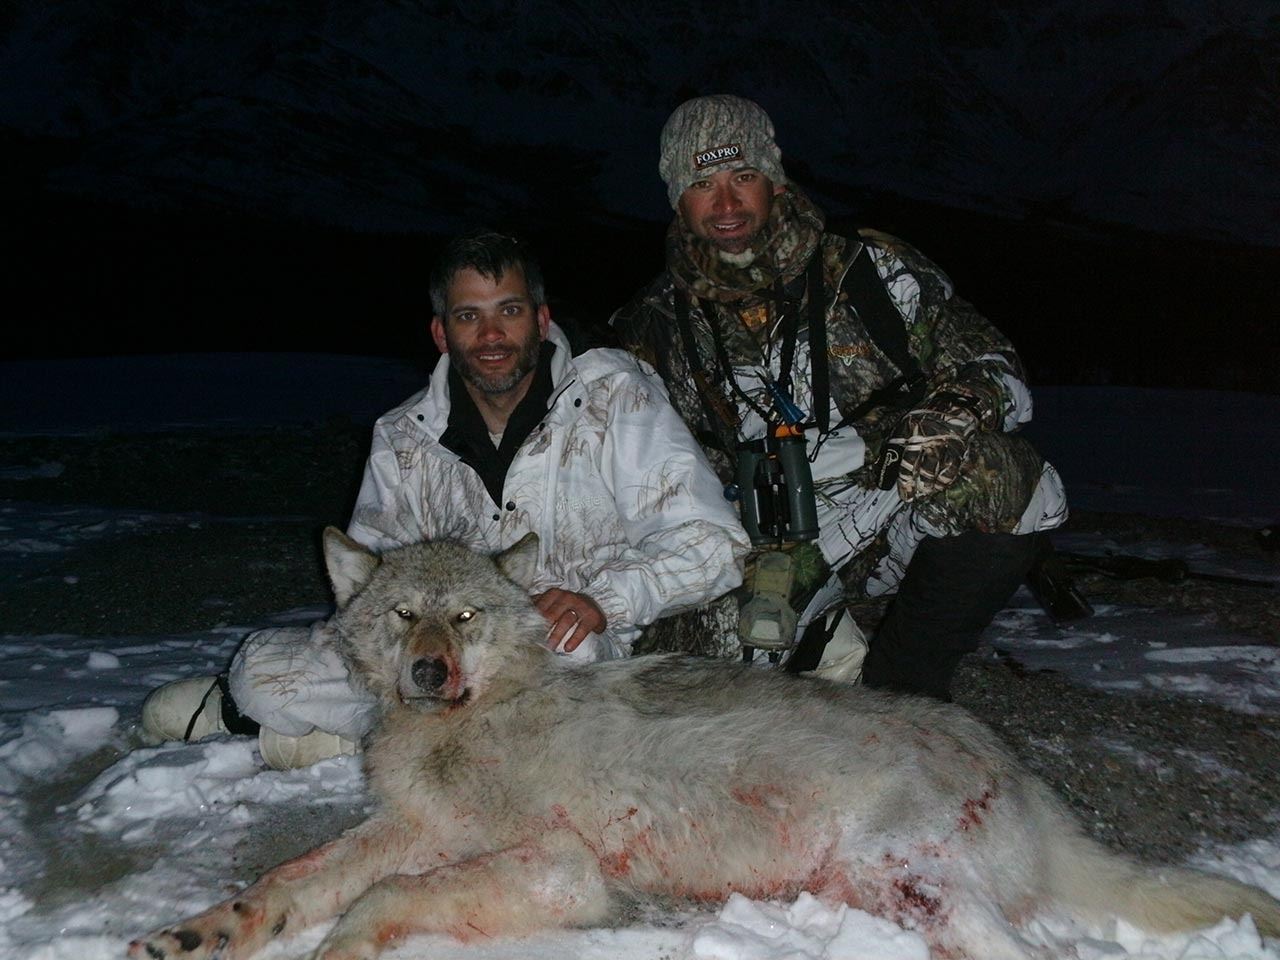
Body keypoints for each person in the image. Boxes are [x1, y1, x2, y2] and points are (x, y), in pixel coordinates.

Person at [143, 230, 750, 767]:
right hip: (431, 648)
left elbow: (714, 544)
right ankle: (401, 739)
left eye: (509, 310)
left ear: (541, 320)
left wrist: (604, 600)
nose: (491, 335)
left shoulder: (616, 397)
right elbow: (367, 592)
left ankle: (350, 743)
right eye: (468, 316)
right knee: (263, 675)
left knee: (570, 665)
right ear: (441, 332)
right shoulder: (402, 437)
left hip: (560, 649)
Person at [611, 95, 1068, 701]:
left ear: (774, 180)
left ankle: (906, 691)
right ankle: (814, 640)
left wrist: (956, 410)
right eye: (702, 184)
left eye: (743, 176)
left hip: (880, 506)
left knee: (1007, 477)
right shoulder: (649, 324)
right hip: (750, 544)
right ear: (678, 199)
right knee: (701, 683)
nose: (726, 205)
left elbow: (994, 361)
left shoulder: (868, 269)